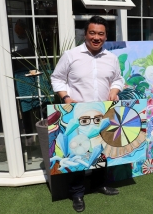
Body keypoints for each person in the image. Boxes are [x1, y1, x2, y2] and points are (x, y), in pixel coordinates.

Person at [51, 16, 124, 212]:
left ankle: (100, 184)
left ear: (105, 36)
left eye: (101, 34)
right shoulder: (70, 55)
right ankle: (77, 193)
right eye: (92, 33)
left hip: (104, 112)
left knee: (102, 151)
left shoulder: (112, 58)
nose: (96, 37)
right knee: (78, 152)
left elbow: (118, 79)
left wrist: (115, 90)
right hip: (78, 114)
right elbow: (57, 78)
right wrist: (65, 97)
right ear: (86, 34)